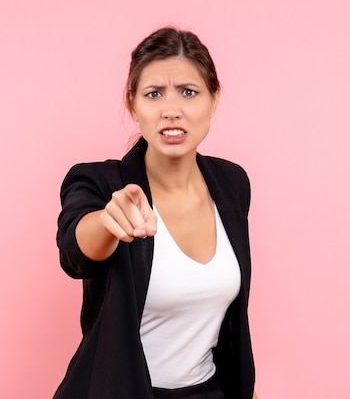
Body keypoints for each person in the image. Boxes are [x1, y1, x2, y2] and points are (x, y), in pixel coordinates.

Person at [54, 27, 257, 399]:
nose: (171, 110)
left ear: (214, 100)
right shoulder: (100, 183)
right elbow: (75, 250)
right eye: (154, 94)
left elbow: (229, 328)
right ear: (133, 104)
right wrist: (108, 222)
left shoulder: (232, 183)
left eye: (189, 92)